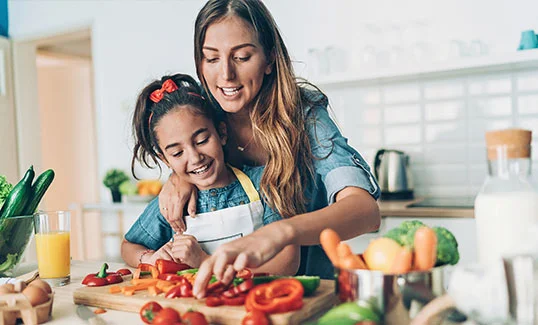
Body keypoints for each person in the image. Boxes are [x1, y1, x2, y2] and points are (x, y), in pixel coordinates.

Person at [155, 0, 381, 298]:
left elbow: (365, 211)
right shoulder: (203, 119)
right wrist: (178, 176)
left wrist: (280, 232)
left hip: (310, 296)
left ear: (270, 58)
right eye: (211, 59)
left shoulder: (305, 115)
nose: (225, 75)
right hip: (225, 300)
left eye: (242, 57)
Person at [120, 73, 299, 277]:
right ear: (165, 160)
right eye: (177, 153)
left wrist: (205, 261)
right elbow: (128, 246)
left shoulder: (264, 183)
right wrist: (149, 258)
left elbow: (287, 261)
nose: (195, 158)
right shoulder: (172, 205)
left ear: (221, 133)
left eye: (202, 140)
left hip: (255, 302)